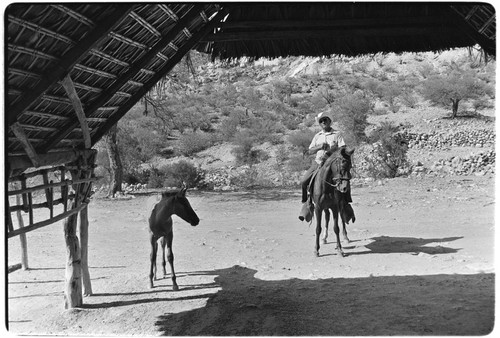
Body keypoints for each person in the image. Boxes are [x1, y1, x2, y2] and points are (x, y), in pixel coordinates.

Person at [300, 112, 346, 204]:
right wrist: (319, 147)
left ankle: (345, 202)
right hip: (318, 163)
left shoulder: (337, 134)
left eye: (325, 120)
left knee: (344, 179)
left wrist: (333, 150)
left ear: (329, 121)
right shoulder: (317, 136)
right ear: (320, 123)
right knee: (304, 181)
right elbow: (310, 151)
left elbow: (343, 148)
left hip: (333, 163)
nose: (323, 122)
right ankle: (307, 203)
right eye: (321, 121)